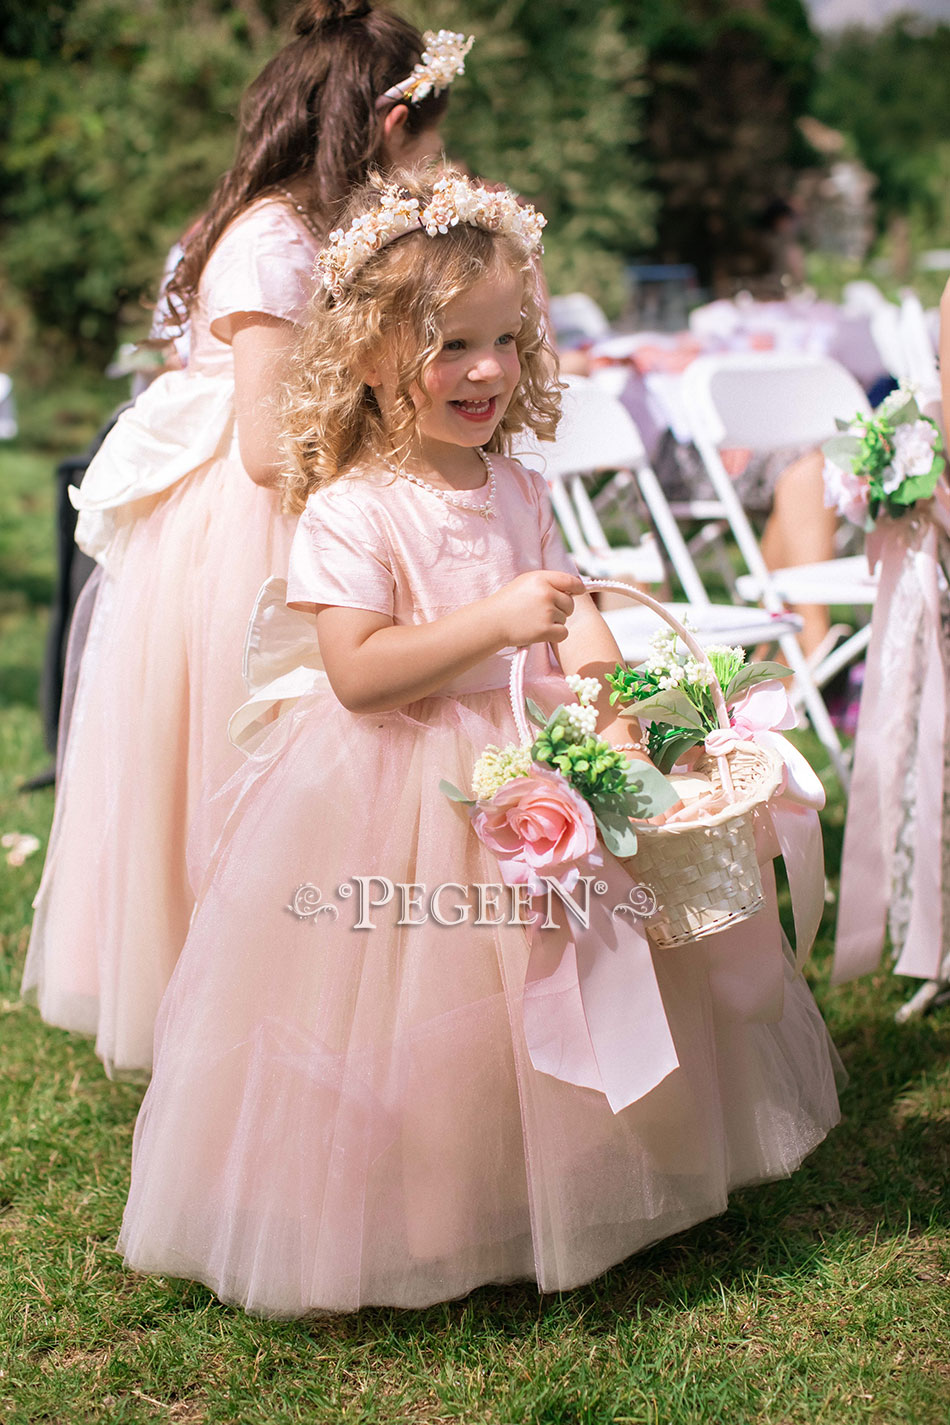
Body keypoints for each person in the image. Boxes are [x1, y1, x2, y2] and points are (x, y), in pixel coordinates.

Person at [117, 169, 841, 1316]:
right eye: (452, 345)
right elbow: (358, 675)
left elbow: (565, 613)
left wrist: (607, 678)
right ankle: (432, 1214)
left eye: (507, 340)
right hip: (406, 789)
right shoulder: (351, 507)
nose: (489, 371)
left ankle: (564, 1180)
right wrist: (492, 624)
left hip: (536, 759)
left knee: (570, 988)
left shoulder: (515, 482)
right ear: (364, 353)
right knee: (437, 1016)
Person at [22, 0, 465, 1078]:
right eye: (438, 126)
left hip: (320, 506)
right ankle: (232, 1005)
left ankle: (320, 995)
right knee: (253, 756)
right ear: (388, 121)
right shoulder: (269, 241)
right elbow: (268, 447)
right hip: (256, 527)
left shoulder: (344, 229)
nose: (448, 149)